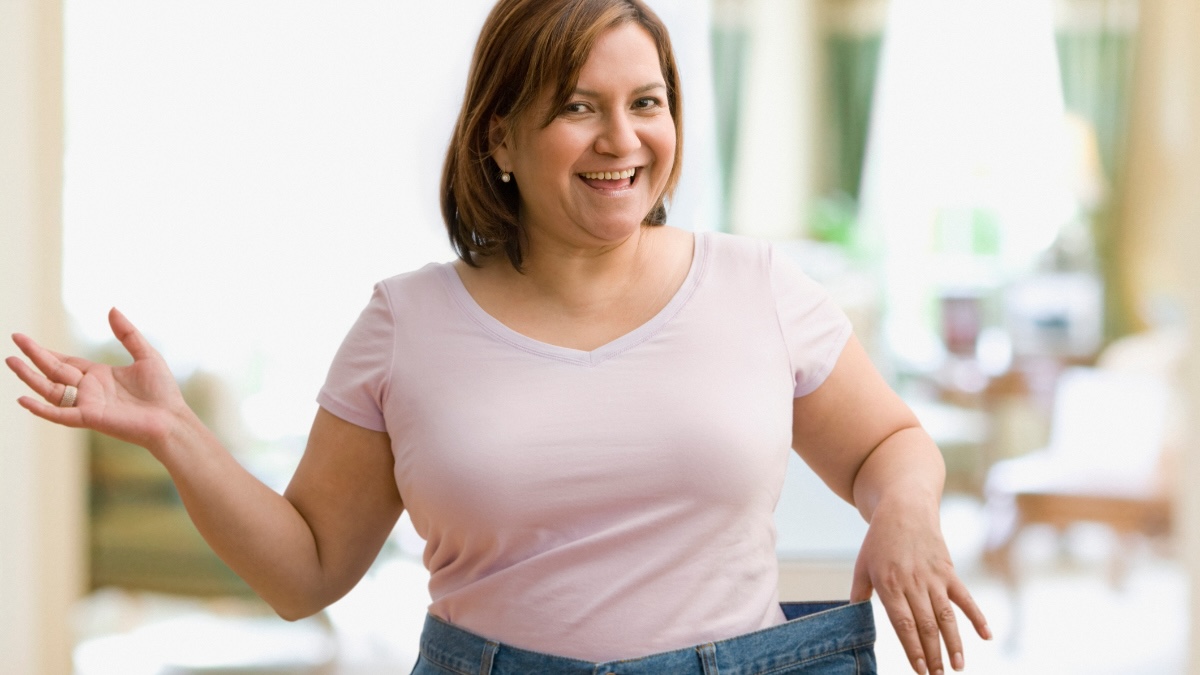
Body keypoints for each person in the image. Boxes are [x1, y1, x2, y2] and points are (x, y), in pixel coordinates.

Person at [6, 0, 990, 673]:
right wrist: (178, 434)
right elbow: (304, 572)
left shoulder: (759, 286)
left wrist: (905, 510)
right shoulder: (405, 324)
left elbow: (886, 445)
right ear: (500, 137)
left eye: (646, 103)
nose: (623, 140)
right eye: (578, 107)